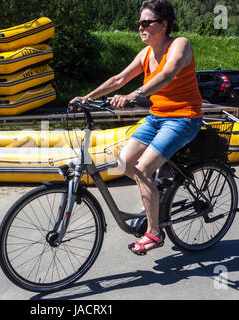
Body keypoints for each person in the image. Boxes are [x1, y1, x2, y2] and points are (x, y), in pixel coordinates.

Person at [70, 0, 203, 255]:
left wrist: (133, 95)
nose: (140, 27)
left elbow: (168, 74)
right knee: (125, 162)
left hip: (184, 118)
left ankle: (154, 233)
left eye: (147, 23)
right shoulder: (145, 54)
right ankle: (156, 191)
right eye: (139, 23)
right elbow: (118, 79)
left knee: (142, 170)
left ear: (163, 25)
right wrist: (87, 97)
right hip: (157, 116)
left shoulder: (180, 45)